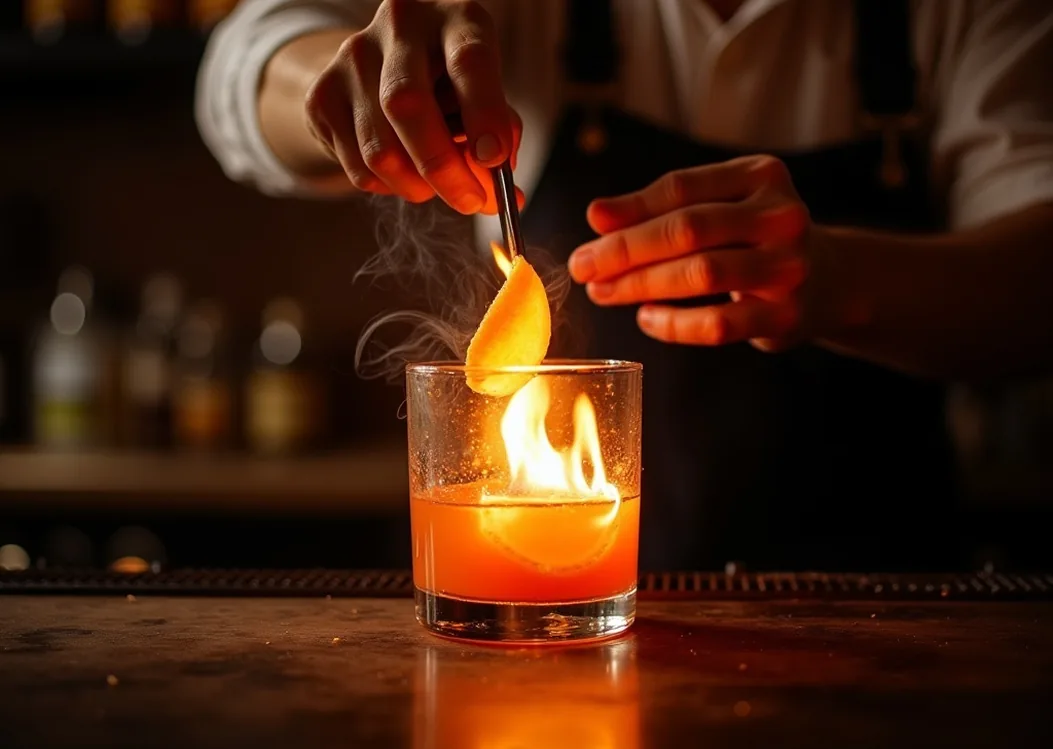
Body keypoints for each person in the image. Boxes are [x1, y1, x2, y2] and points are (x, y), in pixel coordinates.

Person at [197, 0, 1053, 571]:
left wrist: (843, 281)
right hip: (556, 650)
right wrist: (350, 81)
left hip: (879, 604)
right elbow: (243, 62)